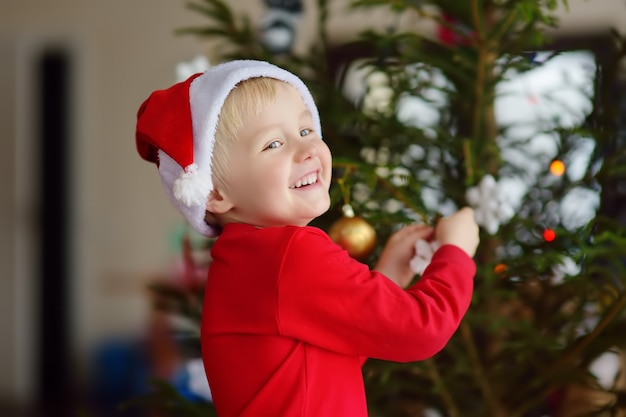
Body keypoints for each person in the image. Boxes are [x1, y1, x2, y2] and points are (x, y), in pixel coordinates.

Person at [136, 60, 479, 417]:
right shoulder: (290, 253)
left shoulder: (243, 261)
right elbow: (421, 330)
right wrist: (456, 252)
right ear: (214, 194)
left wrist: (390, 273)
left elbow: (320, 359)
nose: (307, 149)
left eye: (304, 131)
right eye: (273, 144)